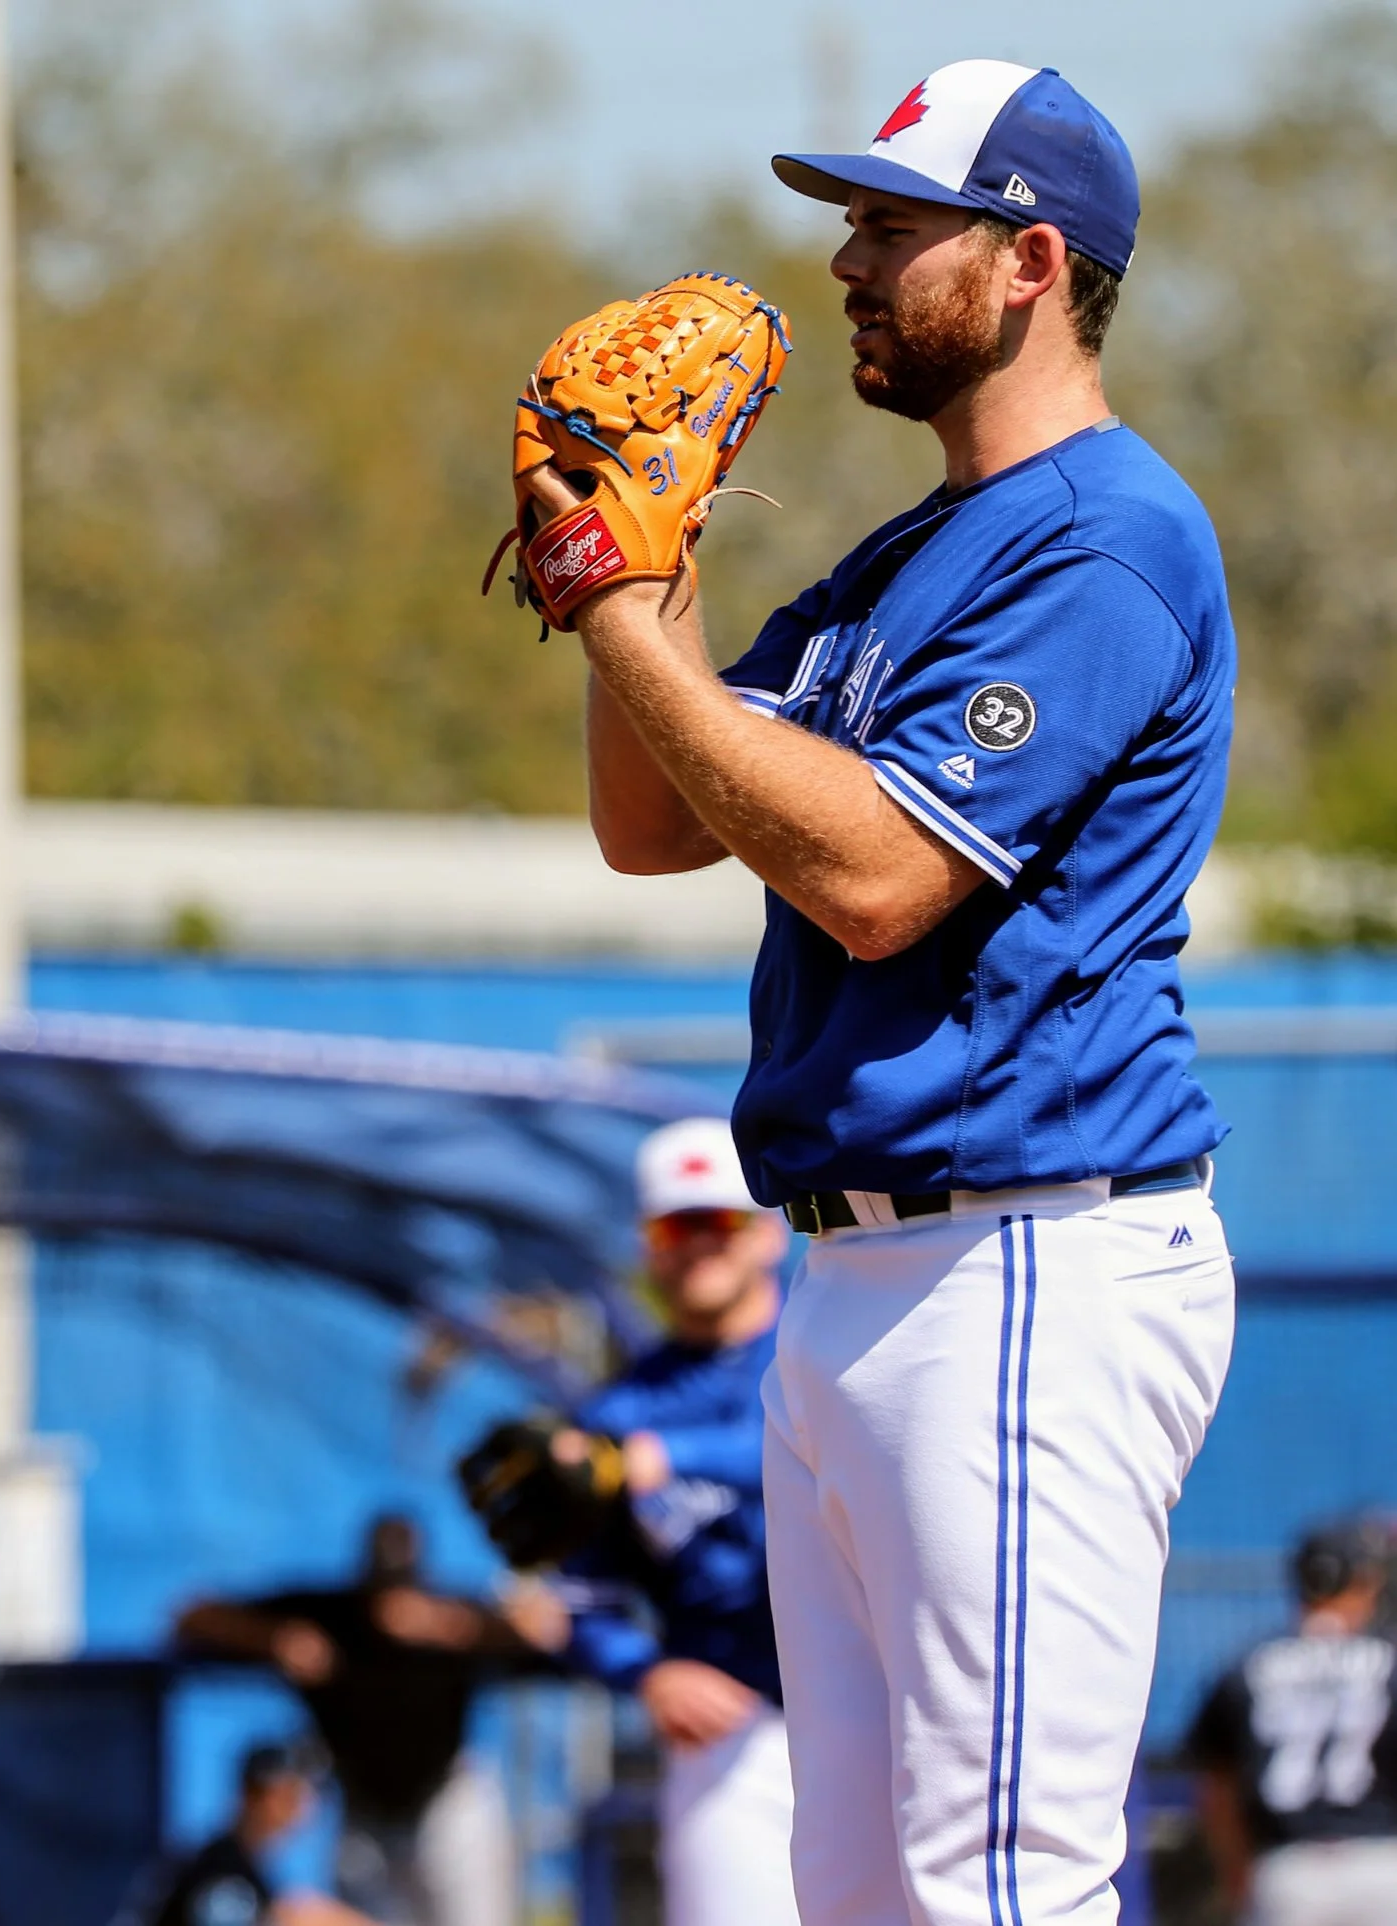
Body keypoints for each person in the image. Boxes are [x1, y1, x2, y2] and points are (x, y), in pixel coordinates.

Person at [546, 59, 1238, 1925]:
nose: (844, 257)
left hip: (1021, 1261)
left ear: (1027, 262)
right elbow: (654, 818)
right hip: (861, 1282)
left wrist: (621, 604)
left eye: (890, 223)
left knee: (993, 1885)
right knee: (859, 1897)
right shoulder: (904, 560)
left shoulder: (1104, 538)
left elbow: (870, 880)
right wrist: (648, 561)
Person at [525, 1118, 797, 1926]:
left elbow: (807, 1451)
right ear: (648, 1245)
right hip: (735, 1736)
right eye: (678, 1226)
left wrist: (666, 1456)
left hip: (887, 1714)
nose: (700, 1246)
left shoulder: (830, 1352)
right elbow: (582, 1597)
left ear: (770, 1231)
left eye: (721, 1221)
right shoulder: (616, 1412)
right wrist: (645, 1672)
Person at [174, 1515, 532, 1926]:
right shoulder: (333, 1618)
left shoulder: (455, 1617)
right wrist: (275, 1639)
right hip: (366, 1815)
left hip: (447, 1804)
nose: (392, 1604)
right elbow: (192, 1614)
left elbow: (541, 1630)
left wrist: (454, 1625)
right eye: (382, 1585)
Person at [1188, 1525, 1397, 1925]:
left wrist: (1238, 1877)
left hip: (1289, 1873)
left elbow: (1217, 1792)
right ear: (1363, 1582)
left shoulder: (1247, 1666)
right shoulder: (1389, 1659)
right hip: (1384, 1865)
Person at [123, 1743, 375, 1926]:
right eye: (288, 1795)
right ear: (253, 1795)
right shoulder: (219, 1869)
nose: (301, 1806)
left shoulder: (247, 1869)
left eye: (303, 1794)